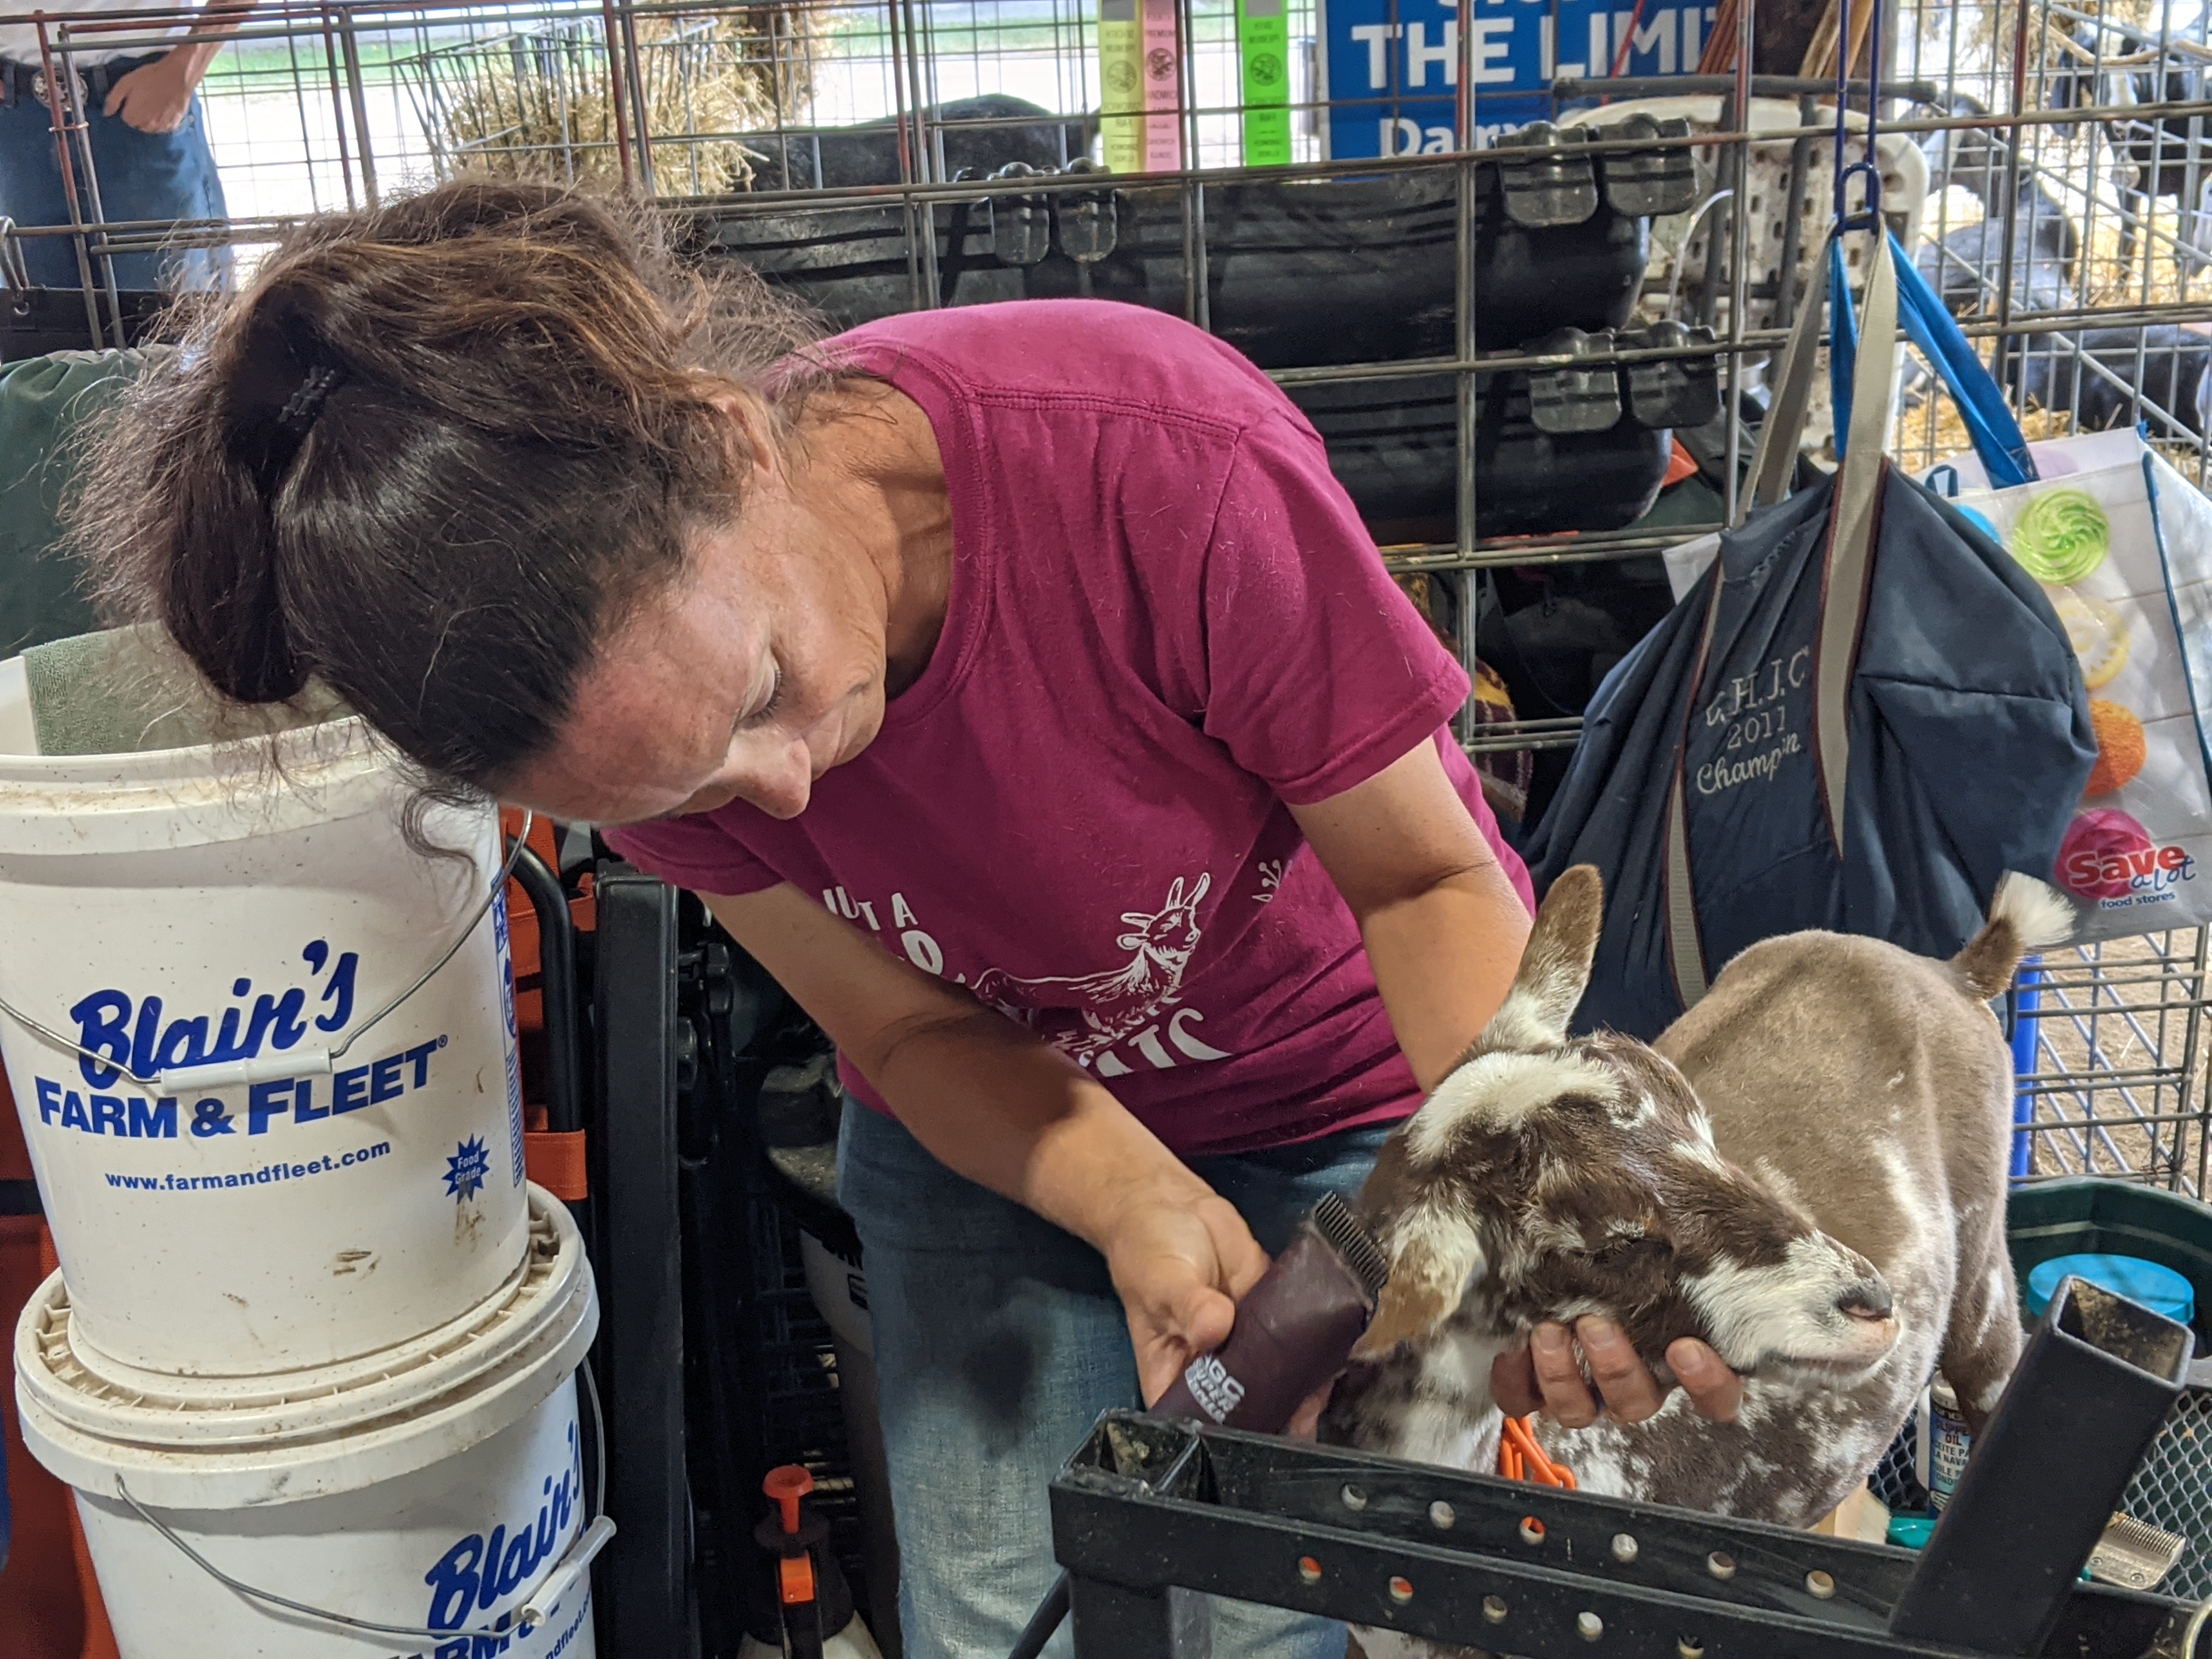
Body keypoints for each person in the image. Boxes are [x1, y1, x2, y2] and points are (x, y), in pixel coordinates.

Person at [78, 181, 1743, 1658]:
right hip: (997, 1127)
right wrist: (1132, 1199)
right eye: (686, 797)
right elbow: (902, 1024)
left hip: (1362, 1088)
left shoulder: (1157, 466)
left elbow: (1427, 878)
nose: (790, 793)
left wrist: (1526, 1217)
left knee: (1278, 1616)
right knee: (988, 1608)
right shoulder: (651, 743)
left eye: (764, 692)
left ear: (736, 443)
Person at [0, 0, 239, 290]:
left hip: (141, 104)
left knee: (174, 320)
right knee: (41, 322)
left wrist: (185, 68)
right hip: (14, 119)